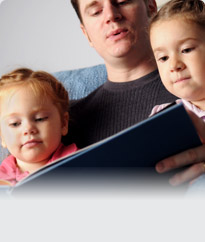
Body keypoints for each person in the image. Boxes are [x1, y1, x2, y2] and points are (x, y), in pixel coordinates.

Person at [67, 0, 205, 187]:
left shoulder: (192, 90)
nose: (111, 16)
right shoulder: (60, 122)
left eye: (123, 1)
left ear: (151, 7)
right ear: (86, 34)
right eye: (96, 11)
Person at [0, 68, 77, 185]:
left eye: (40, 119)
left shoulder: (77, 163)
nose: (28, 129)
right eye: (15, 124)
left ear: (63, 123)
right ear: (2, 137)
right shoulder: (2, 179)